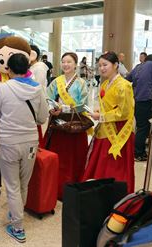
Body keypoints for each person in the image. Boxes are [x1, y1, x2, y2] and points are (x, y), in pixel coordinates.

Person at [0, 53, 48, 243]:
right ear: (27, 68)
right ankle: (17, 214)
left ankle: (18, 226)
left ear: (9, 69)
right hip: (31, 142)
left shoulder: (3, 88)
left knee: (13, 186)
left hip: (9, 142)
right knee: (24, 183)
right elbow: (42, 118)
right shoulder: (38, 89)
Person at [82, 51, 135, 193]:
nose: (102, 68)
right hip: (105, 128)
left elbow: (124, 112)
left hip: (118, 131)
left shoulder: (124, 86)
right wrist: (99, 113)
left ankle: (113, 195)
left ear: (116, 65)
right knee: (101, 162)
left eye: (105, 65)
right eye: (100, 65)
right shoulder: (105, 84)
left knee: (115, 166)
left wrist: (101, 116)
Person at [45, 52, 90, 199]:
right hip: (58, 124)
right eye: (63, 62)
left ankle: (70, 187)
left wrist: (65, 109)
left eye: (69, 62)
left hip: (74, 125)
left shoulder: (81, 83)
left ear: (75, 64)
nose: (65, 64)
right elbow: (48, 98)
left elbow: (83, 105)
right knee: (57, 156)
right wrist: (51, 108)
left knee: (73, 158)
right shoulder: (56, 81)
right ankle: (54, 186)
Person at [126, 54, 152, 161]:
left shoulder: (138, 67)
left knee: (140, 126)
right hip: (148, 100)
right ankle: (138, 153)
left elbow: (127, 79)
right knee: (144, 127)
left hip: (137, 100)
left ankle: (139, 150)